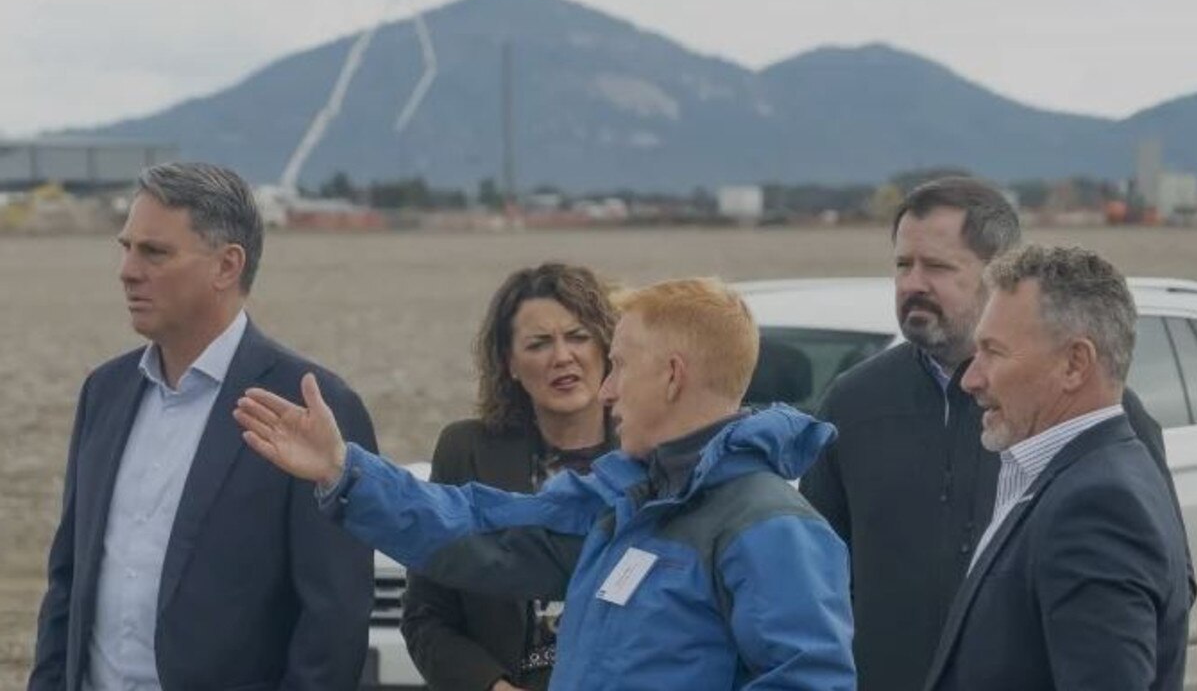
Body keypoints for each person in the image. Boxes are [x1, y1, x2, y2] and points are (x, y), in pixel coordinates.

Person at [234, 278, 857, 690]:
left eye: (619, 366)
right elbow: (480, 525)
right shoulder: (626, 503)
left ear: (671, 376)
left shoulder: (770, 526)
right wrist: (348, 474)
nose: (606, 388)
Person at [800, 176, 1184, 691]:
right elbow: (814, 577)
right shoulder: (854, 403)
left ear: (998, 272)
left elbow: (1160, 585)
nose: (913, 283)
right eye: (901, 265)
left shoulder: (1088, 419)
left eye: (936, 266)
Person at [28, 162, 378, 691]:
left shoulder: (311, 408)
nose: (127, 269)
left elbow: (333, 622)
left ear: (226, 266)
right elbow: (68, 581)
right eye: (126, 247)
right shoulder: (105, 393)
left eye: (154, 252)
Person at [922, 244, 1190, 689]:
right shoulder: (1080, 476)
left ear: (1074, 364)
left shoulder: (1098, 505)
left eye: (993, 352)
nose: (971, 378)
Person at [401, 263, 617, 691]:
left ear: (607, 348)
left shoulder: (649, 455)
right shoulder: (466, 451)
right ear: (510, 364)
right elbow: (426, 614)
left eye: (577, 337)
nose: (562, 357)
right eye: (539, 344)